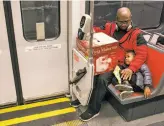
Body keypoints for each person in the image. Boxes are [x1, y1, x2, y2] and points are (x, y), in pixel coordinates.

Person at [71, 7, 149, 122]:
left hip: (121, 66)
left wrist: (131, 69)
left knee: (102, 78)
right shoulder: (110, 27)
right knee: (90, 71)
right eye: (121, 21)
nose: (124, 24)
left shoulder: (137, 35)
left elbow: (142, 54)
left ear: (130, 19)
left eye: (126, 21)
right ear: (116, 19)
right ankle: (84, 99)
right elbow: (97, 30)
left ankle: (94, 109)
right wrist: (87, 30)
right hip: (107, 61)